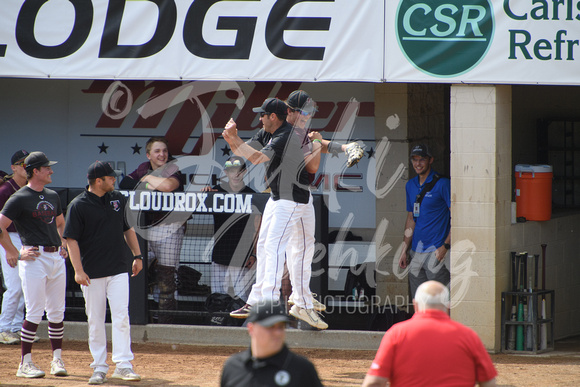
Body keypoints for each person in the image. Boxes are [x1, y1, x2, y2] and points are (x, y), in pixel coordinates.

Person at [222, 97, 327, 330]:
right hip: (278, 197)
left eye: (263, 115)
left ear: (273, 117)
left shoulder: (286, 135)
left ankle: (270, 301)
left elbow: (258, 159)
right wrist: (231, 139)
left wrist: (234, 137)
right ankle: (277, 299)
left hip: (293, 199)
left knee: (278, 246)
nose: (259, 118)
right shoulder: (266, 132)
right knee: (268, 246)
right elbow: (246, 153)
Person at [64, 161, 143, 384]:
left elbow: (128, 228)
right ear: (98, 181)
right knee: (96, 320)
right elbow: (71, 240)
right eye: (110, 177)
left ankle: (124, 365)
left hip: (118, 268)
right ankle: (99, 366)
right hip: (92, 273)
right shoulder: (78, 205)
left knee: (121, 317)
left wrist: (137, 256)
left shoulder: (118, 198)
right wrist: (78, 270)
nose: (114, 180)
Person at [0, 151, 69, 378]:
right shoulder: (19, 197)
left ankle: (57, 360)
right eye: (47, 168)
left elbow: (60, 223)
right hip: (34, 258)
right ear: (36, 171)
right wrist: (15, 252)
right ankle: (24, 364)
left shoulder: (53, 195)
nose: (51, 171)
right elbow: (0, 226)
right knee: (34, 312)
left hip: (55, 258)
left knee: (57, 312)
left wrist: (63, 244)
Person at [361, 281, 497, 387]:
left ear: (415, 305)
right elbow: (489, 383)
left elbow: (374, 382)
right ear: (448, 306)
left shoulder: (396, 333)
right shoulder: (469, 336)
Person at [119, 136, 185, 323]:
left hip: (169, 229)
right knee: (134, 270)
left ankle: (166, 318)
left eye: (164, 150)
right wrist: (147, 181)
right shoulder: (142, 167)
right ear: (149, 154)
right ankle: (133, 314)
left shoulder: (172, 167)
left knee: (167, 276)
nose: (162, 154)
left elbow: (168, 186)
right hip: (144, 230)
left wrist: (146, 179)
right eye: (157, 151)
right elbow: (125, 183)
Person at [220, 299, 323, 387]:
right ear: (251, 329)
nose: (277, 333)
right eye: (270, 327)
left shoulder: (302, 369)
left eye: (281, 327)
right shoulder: (232, 367)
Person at [398, 143, 451, 300]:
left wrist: (445, 246)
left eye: (422, 159)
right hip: (415, 252)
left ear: (431, 160)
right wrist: (404, 250)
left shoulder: (443, 184)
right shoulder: (410, 185)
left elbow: (456, 218)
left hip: (436, 252)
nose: (418, 163)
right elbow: (411, 218)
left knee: (440, 301)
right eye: (414, 159)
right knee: (419, 301)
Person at [204, 156, 259, 302]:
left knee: (241, 301)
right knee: (217, 299)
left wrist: (254, 254)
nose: (236, 175)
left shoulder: (252, 195)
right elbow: (192, 208)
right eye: (232, 171)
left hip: (242, 258)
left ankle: (241, 326)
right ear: (226, 173)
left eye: (239, 171)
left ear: (245, 172)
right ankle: (218, 325)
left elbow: (257, 228)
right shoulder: (215, 192)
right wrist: (205, 194)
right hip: (219, 255)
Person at [0, 150, 29, 345]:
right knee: (14, 286)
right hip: (7, 237)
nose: (27, 168)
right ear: (14, 167)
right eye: (23, 164)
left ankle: (18, 326)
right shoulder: (4, 190)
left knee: (25, 284)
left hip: (26, 238)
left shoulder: (31, 189)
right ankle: (4, 328)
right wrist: (9, 249)